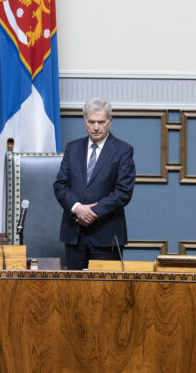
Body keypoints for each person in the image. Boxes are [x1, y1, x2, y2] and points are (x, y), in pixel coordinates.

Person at [53, 97, 135, 270]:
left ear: (110, 122)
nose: (96, 127)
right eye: (91, 122)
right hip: (74, 234)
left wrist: (92, 213)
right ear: (85, 121)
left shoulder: (123, 150)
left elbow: (123, 192)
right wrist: (77, 208)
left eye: (101, 122)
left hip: (106, 236)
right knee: (74, 292)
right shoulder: (72, 148)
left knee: (106, 293)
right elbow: (60, 185)